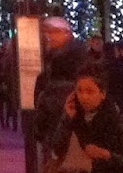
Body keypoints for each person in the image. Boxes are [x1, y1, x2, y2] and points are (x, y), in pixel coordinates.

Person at [47, 68, 123, 172]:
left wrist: (106, 155)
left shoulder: (115, 119)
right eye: (79, 91)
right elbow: (57, 149)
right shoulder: (72, 113)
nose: (84, 97)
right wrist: (68, 119)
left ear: (102, 94)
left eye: (90, 91)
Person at [35, 18, 89, 160]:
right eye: (47, 32)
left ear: (66, 33)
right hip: (56, 136)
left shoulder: (66, 64)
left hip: (64, 140)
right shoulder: (53, 60)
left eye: (54, 32)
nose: (49, 36)